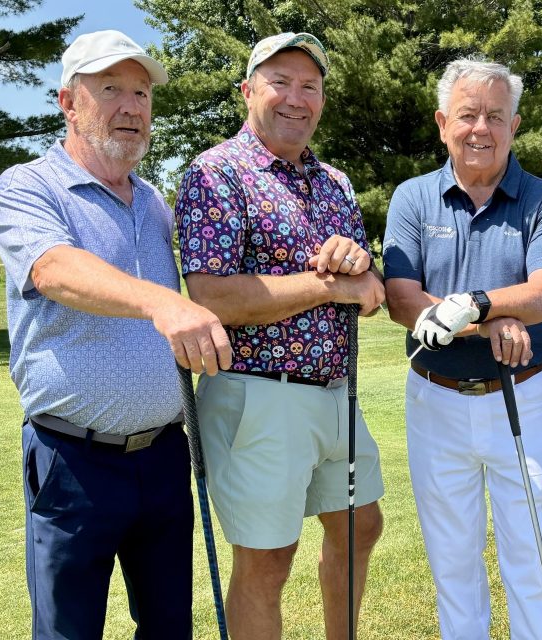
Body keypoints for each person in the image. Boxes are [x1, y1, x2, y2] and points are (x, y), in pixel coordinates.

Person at [0, 30, 233, 639]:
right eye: (111, 90)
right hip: (73, 462)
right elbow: (53, 269)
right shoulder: (28, 186)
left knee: (170, 627)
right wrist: (162, 303)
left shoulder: (153, 202)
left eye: (142, 93)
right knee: (69, 632)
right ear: (68, 102)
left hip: (165, 454)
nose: (132, 106)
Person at [173, 32, 386, 640]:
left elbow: (367, 293)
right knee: (268, 561)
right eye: (280, 82)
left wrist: (357, 268)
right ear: (247, 91)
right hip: (256, 395)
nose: (297, 97)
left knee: (359, 525)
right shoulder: (217, 173)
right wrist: (328, 287)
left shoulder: (335, 182)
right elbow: (212, 296)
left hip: (332, 392)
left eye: (310, 86)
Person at [383, 58, 542, 640]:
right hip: (435, 398)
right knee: (452, 559)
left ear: (515, 126)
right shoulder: (413, 198)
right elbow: (401, 298)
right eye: (468, 114)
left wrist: (473, 305)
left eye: (496, 115)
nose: (481, 128)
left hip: (522, 396)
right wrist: (490, 320)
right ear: (444, 123)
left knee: (536, 554)